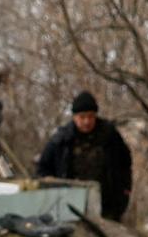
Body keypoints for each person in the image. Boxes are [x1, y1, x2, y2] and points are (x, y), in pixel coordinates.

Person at [34, 90, 133, 220]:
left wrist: (126, 189)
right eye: (82, 117)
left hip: (108, 201)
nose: (87, 121)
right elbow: (43, 168)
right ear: (74, 117)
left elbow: (125, 162)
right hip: (70, 201)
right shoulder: (61, 140)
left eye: (91, 116)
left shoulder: (110, 135)